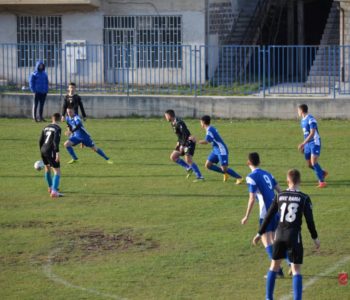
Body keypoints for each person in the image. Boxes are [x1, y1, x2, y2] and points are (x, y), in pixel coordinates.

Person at [253, 169, 320, 300]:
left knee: (274, 266)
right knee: (296, 271)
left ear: (287, 181)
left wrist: (259, 233)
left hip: (279, 235)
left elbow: (268, 216)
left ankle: (268, 297)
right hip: (294, 236)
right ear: (299, 181)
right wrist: (315, 237)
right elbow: (310, 220)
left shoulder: (279, 196)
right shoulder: (304, 198)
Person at [241, 152, 286, 276]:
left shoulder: (251, 177)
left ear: (248, 162)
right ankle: (287, 264)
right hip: (276, 210)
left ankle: (278, 270)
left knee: (266, 241)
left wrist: (246, 216)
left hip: (266, 213)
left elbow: (252, 198)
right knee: (275, 240)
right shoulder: (268, 173)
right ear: (259, 162)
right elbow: (279, 190)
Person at [198, 115, 242, 184]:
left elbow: (206, 142)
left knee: (224, 168)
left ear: (203, 122)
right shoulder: (211, 128)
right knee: (208, 165)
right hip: (216, 149)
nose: (200, 123)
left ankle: (239, 177)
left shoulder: (209, 130)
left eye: (200, 122)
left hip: (221, 150)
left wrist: (196, 141)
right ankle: (225, 173)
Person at [164, 109, 204, 182]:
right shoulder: (173, 123)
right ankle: (188, 168)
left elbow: (185, 134)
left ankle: (200, 176)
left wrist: (182, 145)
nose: (165, 118)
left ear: (170, 116)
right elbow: (180, 135)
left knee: (188, 159)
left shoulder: (180, 123)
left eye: (166, 116)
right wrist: (178, 143)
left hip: (189, 142)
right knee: (173, 157)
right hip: (182, 142)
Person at [297, 104, 328, 188]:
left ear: (302, 111)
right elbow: (306, 134)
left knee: (314, 162)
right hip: (307, 144)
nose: (298, 112)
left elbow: (312, 133)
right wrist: (305, 145)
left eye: (298, 110)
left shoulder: (311, 119)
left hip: (315, 142)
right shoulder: (302, 120)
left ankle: (322, 182)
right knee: (309, 164)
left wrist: (303, 143)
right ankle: (322, 172)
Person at [39, 112, 63, 198]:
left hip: (43, 150)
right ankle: (54, 191)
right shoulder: (58, 128)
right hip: (51, 150)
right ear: (59, 119)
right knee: (57, 171)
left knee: (47, 169)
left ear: (52, 119)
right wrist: (57, 153)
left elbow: (40, 140)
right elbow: (55, 141)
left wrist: (42, 151)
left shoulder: (45, 127)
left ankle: (50, 188)